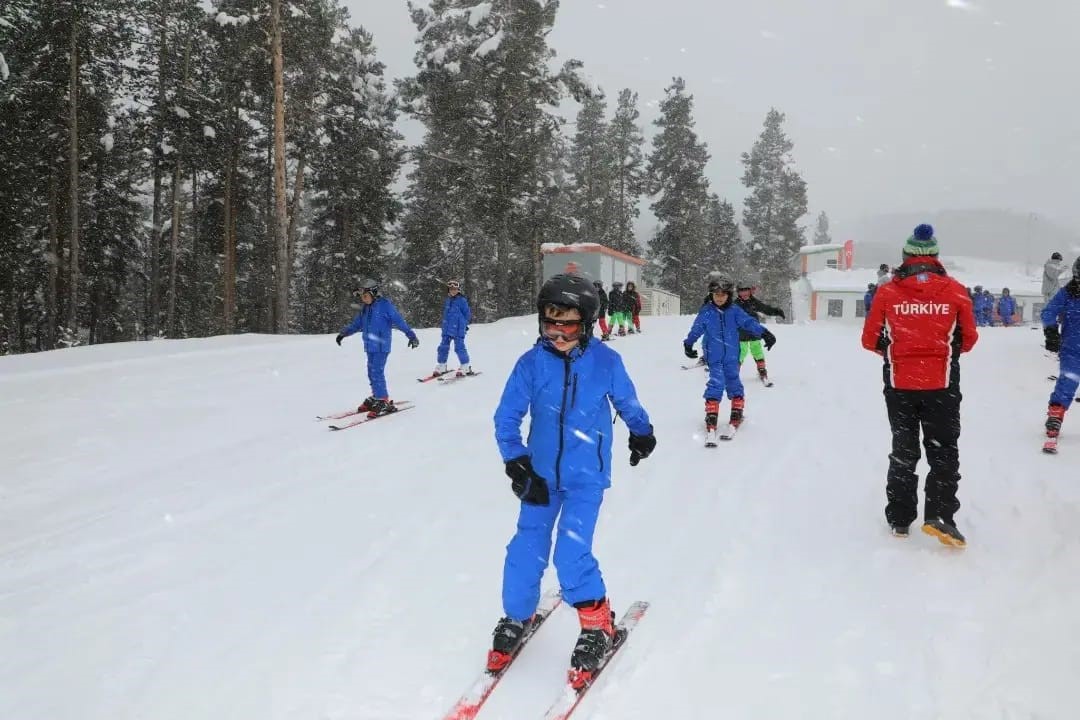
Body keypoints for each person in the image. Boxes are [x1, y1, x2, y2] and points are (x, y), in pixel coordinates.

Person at [489, 273, 656, 690]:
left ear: (587, 323)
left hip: (586, 478)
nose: (559, 333)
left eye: (569, 324)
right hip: (540, 477)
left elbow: (627, 401)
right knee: (525, 547)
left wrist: (641, 431)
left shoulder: (605, 362)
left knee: (571, 551)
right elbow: (506, 417)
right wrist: (517, 463)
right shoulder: (531, 364)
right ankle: (517, 614)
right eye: (551, 322)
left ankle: (597, 624)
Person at [860, 224, 978, 547]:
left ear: (905, 257)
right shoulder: (955, 290)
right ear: (936, 257)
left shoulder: (888, 292)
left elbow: (869, 339)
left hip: (900, 384)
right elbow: (969, 339)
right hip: (941, 383)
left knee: (904, 448)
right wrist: (942, 351)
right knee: (943, 449)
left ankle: (900, 519)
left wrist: (893, 350)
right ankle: (939, 515)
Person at [683, 274, 775, 443]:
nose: (719, 298)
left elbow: (749, 322)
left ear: (728, 295)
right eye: (716, 295)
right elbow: (696, 329)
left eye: (723, 295)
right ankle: (711, 417)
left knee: (733, 382)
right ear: (711, 295)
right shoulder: (706, 312)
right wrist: (688, 344)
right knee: (716, 384)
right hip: (715, 357)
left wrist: (764, 333)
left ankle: (736, 412)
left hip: (732, 356)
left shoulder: (734, 311)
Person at [335, 279, 420, 417]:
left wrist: (411, 335)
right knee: (371, 371)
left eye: (365, 296)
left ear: (373, 293)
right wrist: (343, 333)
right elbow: (356, 325)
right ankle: (376, 396)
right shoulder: (365, 309)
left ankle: (383, 400)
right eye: (362, 296)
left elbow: (399, 321)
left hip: (381, 346)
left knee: (376, 372)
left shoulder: (385, 306)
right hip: (370, 346)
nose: (363, 299)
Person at [1041, 257, 1080, 444]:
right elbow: (1049, 311)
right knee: (1068, 381)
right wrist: (1050, 332)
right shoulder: (1067, 293)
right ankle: (1055, 416)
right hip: (1072, 347)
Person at [734, 282, 784, 384]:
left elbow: (765, 308)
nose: (744, 294)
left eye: (746, 291)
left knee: (757, 350)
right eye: (741, 291)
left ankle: (762, 370)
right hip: (740, 332)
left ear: (750, 291)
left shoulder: (753, 302)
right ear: (738, 293)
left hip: (754, 331)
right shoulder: (735, 304)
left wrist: (776, 311)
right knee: (740, 352)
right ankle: (734, 373)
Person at [432, 279, 473, 377]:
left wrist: (464, 325)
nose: (452, 291)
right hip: (447, 328)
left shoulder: (462, 300)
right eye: (451, 289)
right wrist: (444, 326)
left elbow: (467, 314)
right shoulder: (448, 300)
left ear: (458, 290)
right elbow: (446, 314)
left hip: (458, 329)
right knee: (442, 347)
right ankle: (442, 365)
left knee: (459, 348)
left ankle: (465, 366)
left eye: (454, 289)